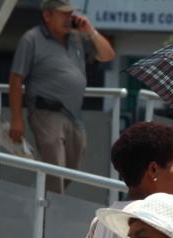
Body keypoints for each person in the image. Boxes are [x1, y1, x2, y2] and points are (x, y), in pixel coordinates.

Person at [9, 0, 115, 193]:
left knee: (71, 168)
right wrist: (16, 119)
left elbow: (108, 55)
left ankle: (39, 198)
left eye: (70, 14)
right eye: (63, 14)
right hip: (46, 111)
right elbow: (16, 79)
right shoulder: (31, 39)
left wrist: (90, 30)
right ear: (47, 15)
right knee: (55, 165)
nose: (69, 18)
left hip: (74, 114)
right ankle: (50, 208)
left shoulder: (76, 38)